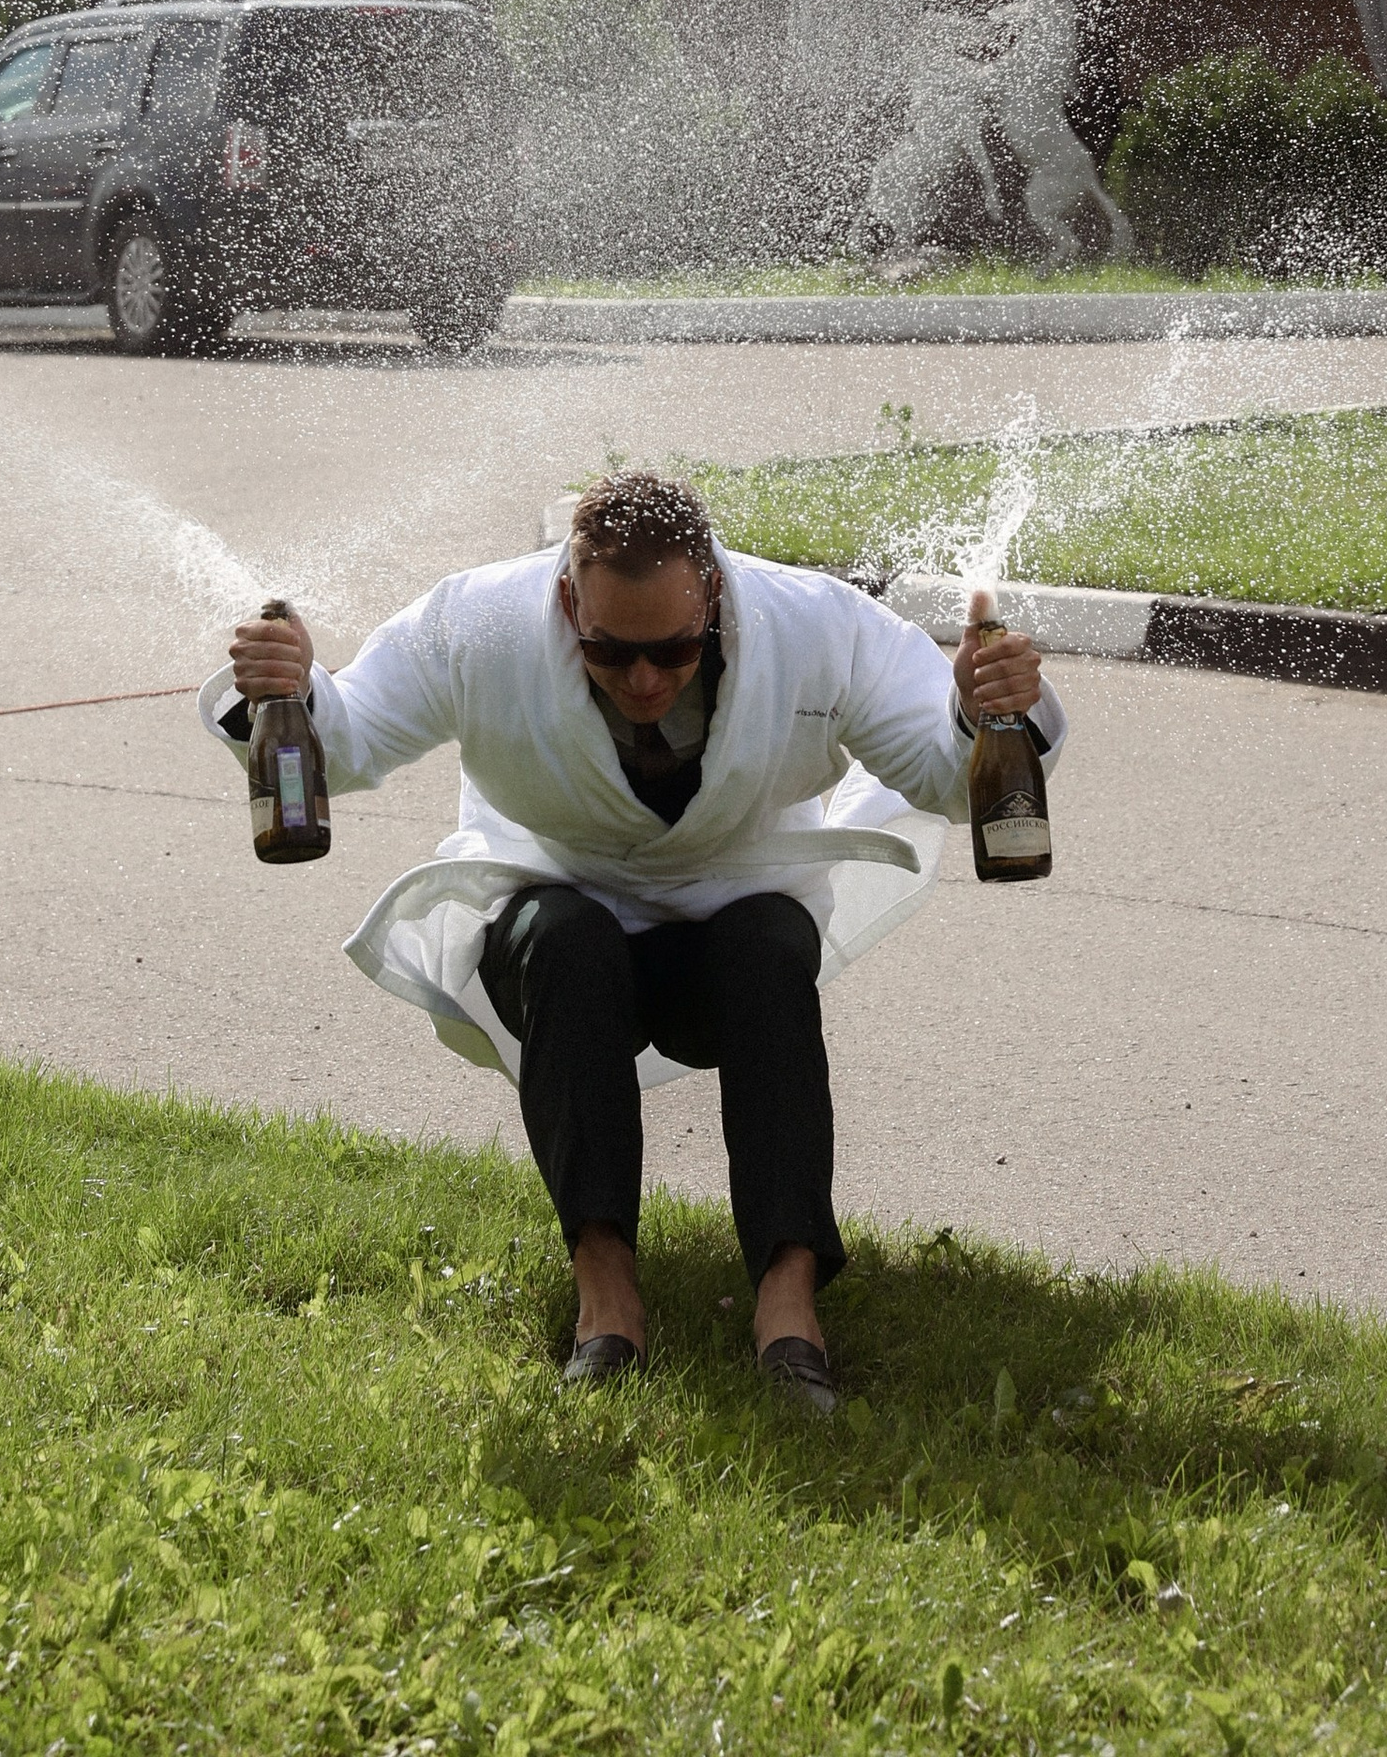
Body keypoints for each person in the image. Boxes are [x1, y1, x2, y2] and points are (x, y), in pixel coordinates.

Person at [210, 468, 1061, 1411]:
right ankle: (606, 1297)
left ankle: (788, 1305)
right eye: (610, 653)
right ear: (569, 599)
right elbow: (356, 734)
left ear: (714, 593)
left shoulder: (817, 626)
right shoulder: (478, 622)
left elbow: (943, 773)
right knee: (569, 941)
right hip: (557, 915)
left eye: (676, 649)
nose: (645, 680)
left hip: (730, 922)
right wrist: (293, 690)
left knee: (773, 944)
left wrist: (989, 708)